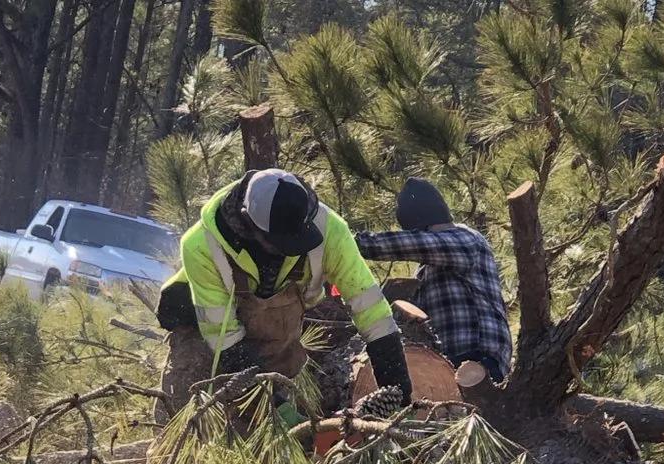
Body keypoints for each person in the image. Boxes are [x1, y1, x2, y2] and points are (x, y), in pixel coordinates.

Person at [155, 168, 412, 425]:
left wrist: (397, 391)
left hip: (269, 337)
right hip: (200, 332)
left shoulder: (331, 230)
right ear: (249, 225)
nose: (294, 249)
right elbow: (225, 341)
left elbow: (371, 310)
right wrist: (279, 413)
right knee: (194, 421)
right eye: (284, 243)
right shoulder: (202, 245)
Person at [355, 177, 512, 383]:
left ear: (422, 226)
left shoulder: (466, 239)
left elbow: (412, 244)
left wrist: (351, 244)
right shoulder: (426, 270)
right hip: (448, 364)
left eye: (414, 232)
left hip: (480, 360)